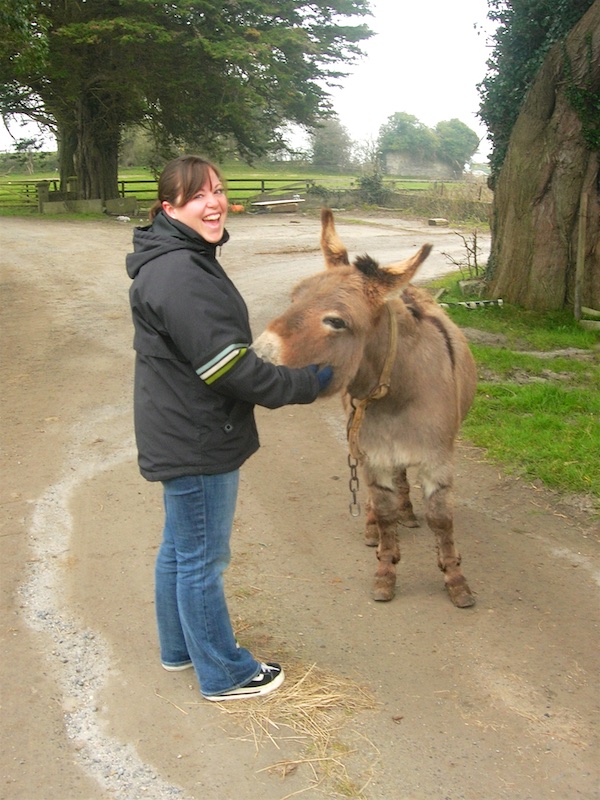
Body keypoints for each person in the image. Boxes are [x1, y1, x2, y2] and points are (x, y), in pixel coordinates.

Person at [126, 155, 332, 702]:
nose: (213, 202)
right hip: (197, 435)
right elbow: (227, 367)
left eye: (217, 190)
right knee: (201, 558)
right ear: (169, 207)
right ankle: (225, 673)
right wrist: (308, 382)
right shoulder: (180, 271)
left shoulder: (181, 256)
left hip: (181, 425)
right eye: (197, 196)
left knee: (180, 548)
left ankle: (180, 649)